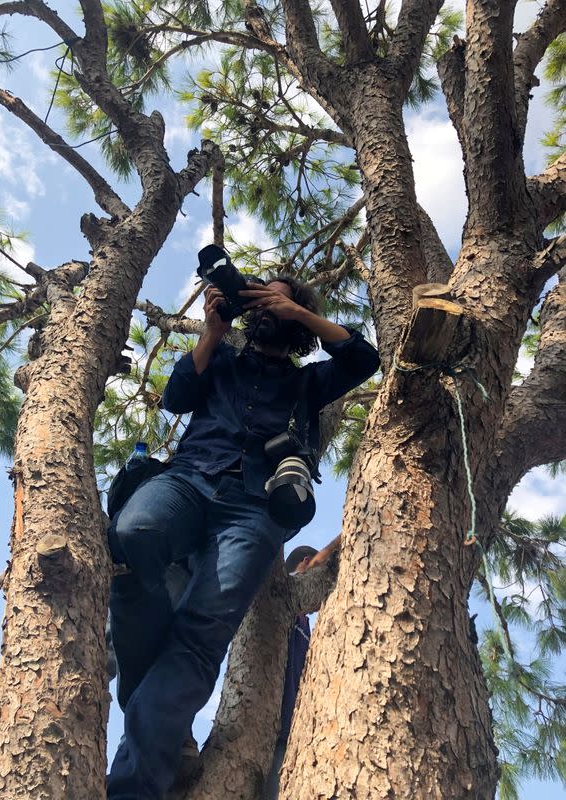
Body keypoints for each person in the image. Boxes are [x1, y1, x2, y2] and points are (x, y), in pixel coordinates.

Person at [106, 273, 380, 799]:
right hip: (188, 479)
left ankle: (133, 788)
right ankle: (162, 723)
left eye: (278, 295)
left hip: (255, 509)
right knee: (133, 534)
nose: (265, 301)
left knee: (201, 634)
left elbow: (362, 359)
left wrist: (298, 312)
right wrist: (211, 331)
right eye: (258, 293)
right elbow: (175, 396)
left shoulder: (307, 383)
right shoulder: (224, 361)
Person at [263, 537, 340, 800]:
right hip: (270, 727)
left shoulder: (305, 623)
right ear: (306, 563)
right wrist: (345, 538)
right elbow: (321, 561)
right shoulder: (284, 594)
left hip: (293, 730)